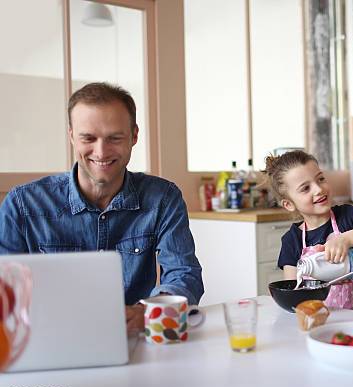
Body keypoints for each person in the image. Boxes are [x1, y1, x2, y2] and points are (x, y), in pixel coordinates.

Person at [0, 83, 204, 334]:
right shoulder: (22, 204)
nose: (101, 151)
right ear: (72, 135)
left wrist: (147, 311)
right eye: (89, 138)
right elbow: (4, 292)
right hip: (48, 339)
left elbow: (185, 274)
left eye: (114, 138)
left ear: (134, 135)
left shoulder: (163, 197)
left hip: (135, 340)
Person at [266, 150, 353, 312]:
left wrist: (346, 239)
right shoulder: (292, 240)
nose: (318, 189)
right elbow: (293, 297)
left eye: (320, 179)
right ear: (289, 204)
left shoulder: (348, 217)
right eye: (305, 188)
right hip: (317, 323)